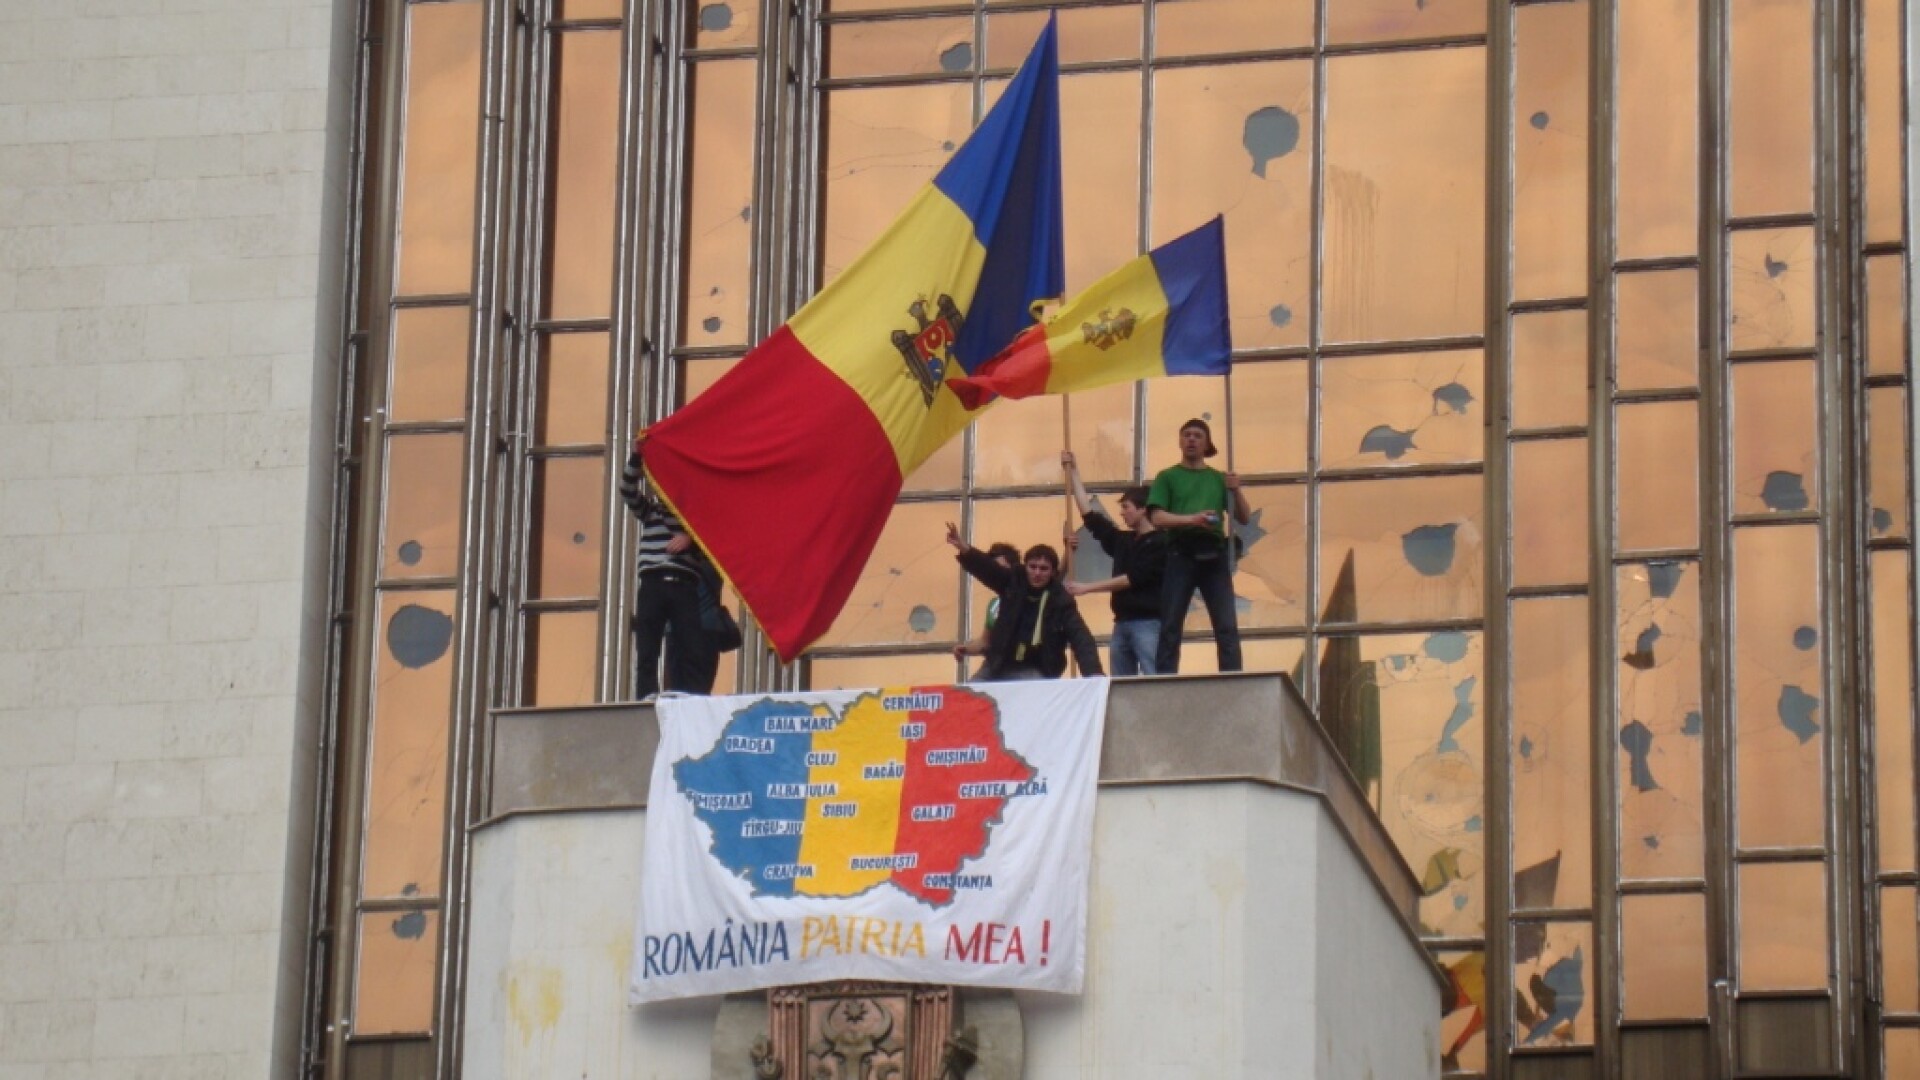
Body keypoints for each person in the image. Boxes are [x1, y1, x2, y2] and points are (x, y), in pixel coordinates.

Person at [1147, 417, 1249, 673]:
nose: (1191, 439)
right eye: (1187, 435)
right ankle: (1165, 680)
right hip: (1180, 553)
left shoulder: (1219, 479)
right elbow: (1157, 517)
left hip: (1213, 554)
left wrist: (1235, 491)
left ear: (1207, 444)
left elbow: (1244, 517)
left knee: (1226, 624)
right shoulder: (1167, 476)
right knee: (1171, 623)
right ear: (1180, 441)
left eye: (1197, 435)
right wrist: (1193, 519)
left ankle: (1232, 678)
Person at [621, 441, 719, 700]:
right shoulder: (650, 511)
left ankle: (693, 698)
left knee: (691, 647)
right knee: (647, 647)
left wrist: (689, 538)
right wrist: (637, 457)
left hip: (684, 585)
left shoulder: (695, 517)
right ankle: (646, 696)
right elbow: (627, 489)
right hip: (653, 582)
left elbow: (710, 540)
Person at [944, 524, 1103, 680]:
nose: (1037, 573)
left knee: (1030, 697)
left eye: (1043, 568)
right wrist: (963, 546)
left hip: (1035, 667)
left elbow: (1080, 636)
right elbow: (988, 569)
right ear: (1024, 566)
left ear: (1053, 572)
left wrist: (1093, 672)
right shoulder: (1012, 581)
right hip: (998, 664)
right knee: (971, 697)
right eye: (1032, 567)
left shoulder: (1060, 600)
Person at [1060, 451, 1168, 676]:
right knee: (1120, 683)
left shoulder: (1160, 543)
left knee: (1155, 677)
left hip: (1149, 623)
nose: (1122, 513)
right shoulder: (1124, 541)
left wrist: (1087, 588)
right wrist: (1073, 472)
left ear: (1142, 509)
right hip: (1121, 622)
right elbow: (1089, 516)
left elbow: (1131, 579)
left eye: (1126, 507)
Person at [954, 543, 1022, 671]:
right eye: (992, 570)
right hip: (995, 664)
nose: (996, 574)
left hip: (1021, 664)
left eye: (1000, 569)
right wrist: (966, 649)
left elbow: (1056, 579)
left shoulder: (1028, 595)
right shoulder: (994, 605)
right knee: (971, 689)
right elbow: (985, 642)